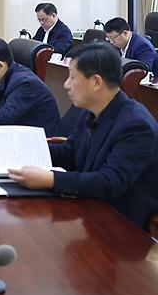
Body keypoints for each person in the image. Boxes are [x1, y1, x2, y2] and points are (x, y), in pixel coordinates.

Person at [9, 43, 158, 231]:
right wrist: (23, 150)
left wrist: (50, 179)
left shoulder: (136, 125)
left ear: (96, 82)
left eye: (72, 78)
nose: (66, 85)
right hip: (89, 208)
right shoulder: (91, 111)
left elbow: (109, 182)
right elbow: (70, 152)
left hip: (122, 224)